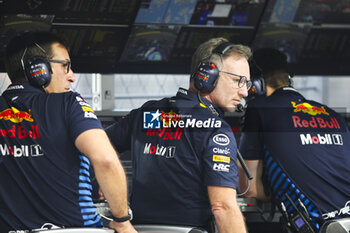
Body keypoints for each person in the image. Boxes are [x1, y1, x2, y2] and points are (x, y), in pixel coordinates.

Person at [106, 37, 251, 233]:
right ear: (207, 76)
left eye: (247, 83)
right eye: (237, 80)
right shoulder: (216, 129)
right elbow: (222, 207)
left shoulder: (148, 113)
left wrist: (105, 186)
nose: (244, 92)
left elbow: (96, 147)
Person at [0, 31, 137, 233]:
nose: (71, 77)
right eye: (65, 66)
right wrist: (123, 221)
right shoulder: (68, 103)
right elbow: (105, 160)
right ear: (38, 69)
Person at [238, 48, 350, 232]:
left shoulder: (259, 109)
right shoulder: (332, 114)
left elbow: (248, 188)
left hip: (319, 226)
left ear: (256, 84)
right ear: (288, 78)